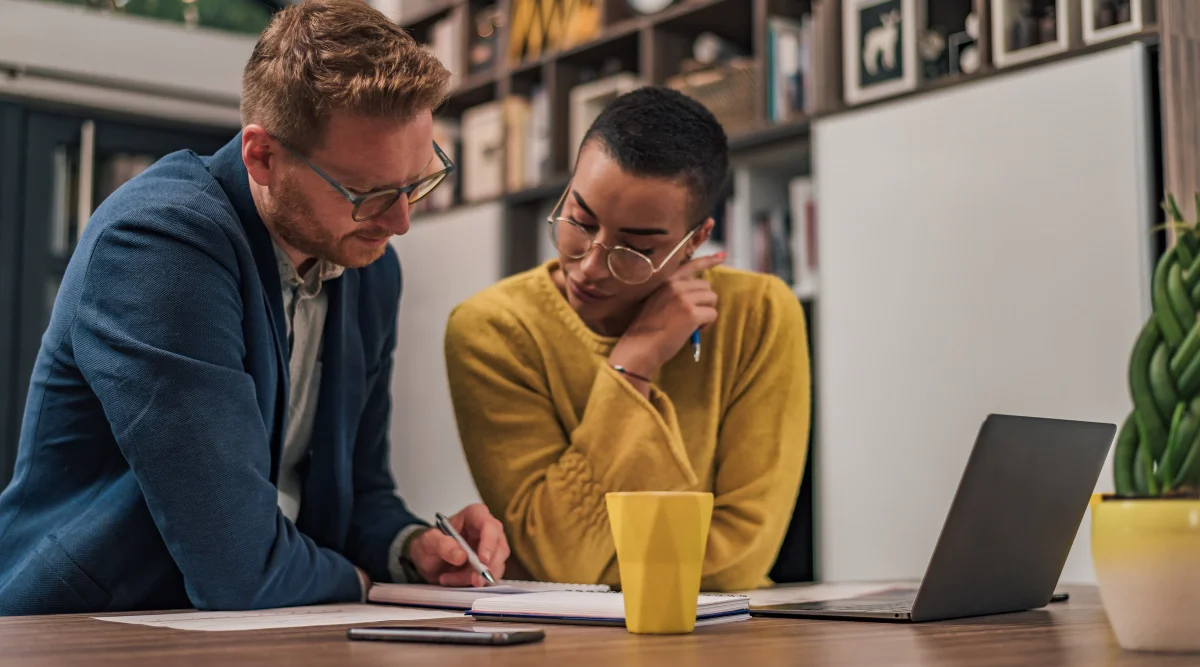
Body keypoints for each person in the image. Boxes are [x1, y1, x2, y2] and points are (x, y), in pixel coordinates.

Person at [0, 0, 508, 616]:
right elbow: (235, 564)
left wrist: (412, 550)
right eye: (370, 194)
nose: (401, 222)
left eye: (419, 182)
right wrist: (363, 582)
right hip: (92, 628)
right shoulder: (161, 242)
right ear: (262, 155)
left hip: (266, 622)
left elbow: (357, 492)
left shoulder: (367, 265)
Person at [444, 86, 810, 592]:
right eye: (580, 220)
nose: (590, 265)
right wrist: (633, 366)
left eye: (637, 247)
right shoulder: (493, 329)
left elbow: (741, 558)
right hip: (565, 642)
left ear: (696, 239)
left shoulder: (760, 314)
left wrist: (602, 571)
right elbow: (556, 562)